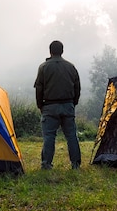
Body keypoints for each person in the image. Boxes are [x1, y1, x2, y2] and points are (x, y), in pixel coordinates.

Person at [34, 40, 81, 169]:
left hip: (49, 106)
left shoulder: (43, 67)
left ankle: (46, 164)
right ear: (62, 51)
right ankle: (76, 164)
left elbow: (39, 88)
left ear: (50, 51)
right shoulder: (71, 67)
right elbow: (77, 88)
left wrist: (40, 106)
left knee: (49, 137)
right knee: (71, 136)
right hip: (68, 105)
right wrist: (73, 103)